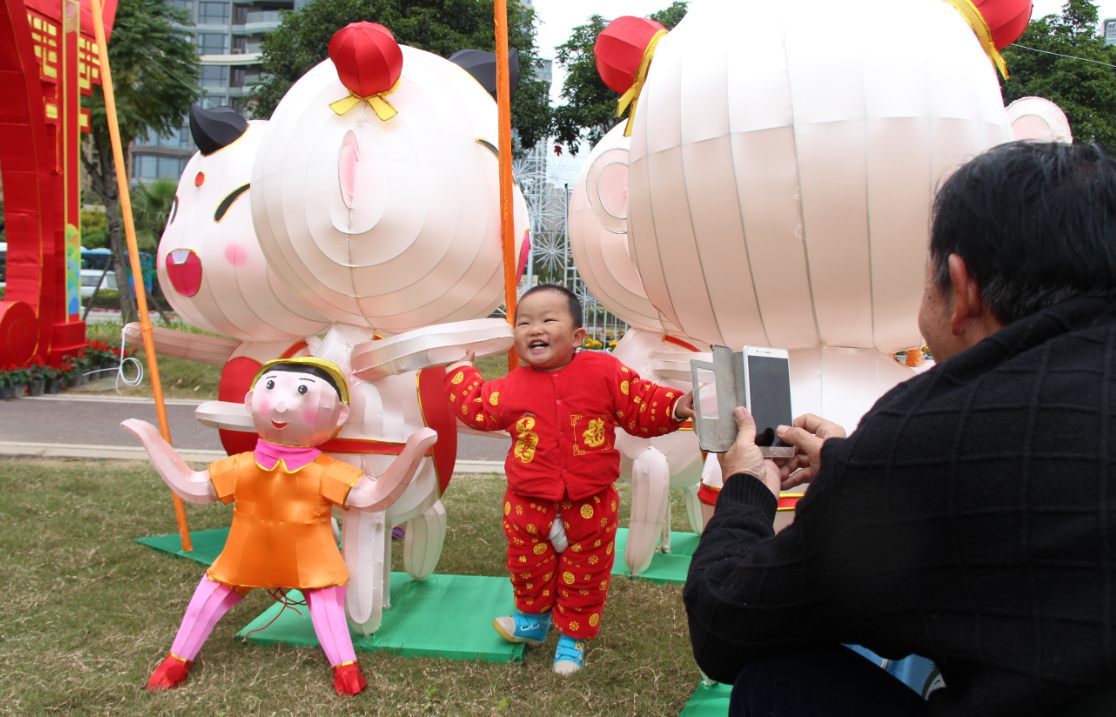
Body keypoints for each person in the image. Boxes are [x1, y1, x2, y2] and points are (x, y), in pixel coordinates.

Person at [683, 141, 1116, 716]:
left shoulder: (938, 427)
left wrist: (746, 490)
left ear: (961, 289)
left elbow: (727, 623)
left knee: (781, 680)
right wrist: (853, 462)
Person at [122, 358, 436, 696]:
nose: (282, 403)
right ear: (250, 400)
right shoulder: (242, 466)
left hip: (312, 563)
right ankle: (176, 660)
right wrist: (152, 440)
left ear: (339, 416)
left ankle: (346, 670)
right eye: (270, 387)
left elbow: (374, 496)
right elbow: (194, 486)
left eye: (304, 391)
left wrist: (413, 452)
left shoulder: (325, 471)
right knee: (205, 600)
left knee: (326, 607)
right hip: (244, 559)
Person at [444, 284, 695, 674]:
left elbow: (640, 402)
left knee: (587, 573)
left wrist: (677, 405)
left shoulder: (604, 371)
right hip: (528, 502)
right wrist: (459, 370)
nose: (533, 329)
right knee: (528, 565)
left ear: (578, 336)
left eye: (546, 319)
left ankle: (573, 638)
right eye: (523, 322)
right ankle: (532, 620)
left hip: (590, 503)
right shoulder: (513, 385)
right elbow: (477, 405)